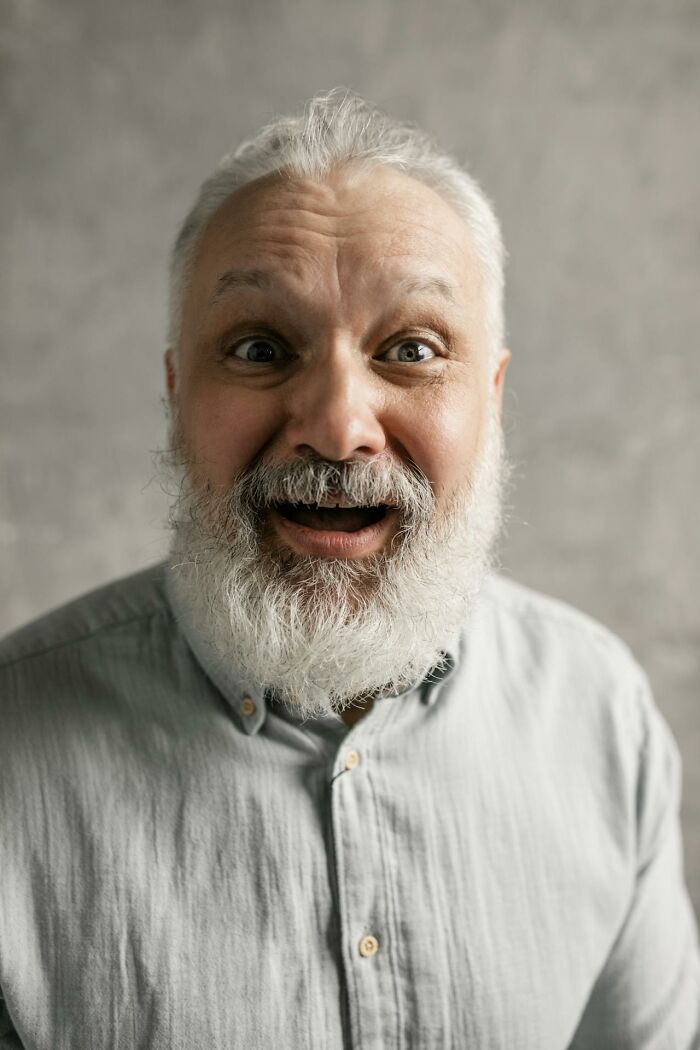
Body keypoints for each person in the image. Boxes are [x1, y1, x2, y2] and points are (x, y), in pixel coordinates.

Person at [0, 89, 697, 1049]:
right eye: (258, 348)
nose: (336, 424)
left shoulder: (601, 718)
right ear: (175, 392)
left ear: (490, 399)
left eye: (412, 350)